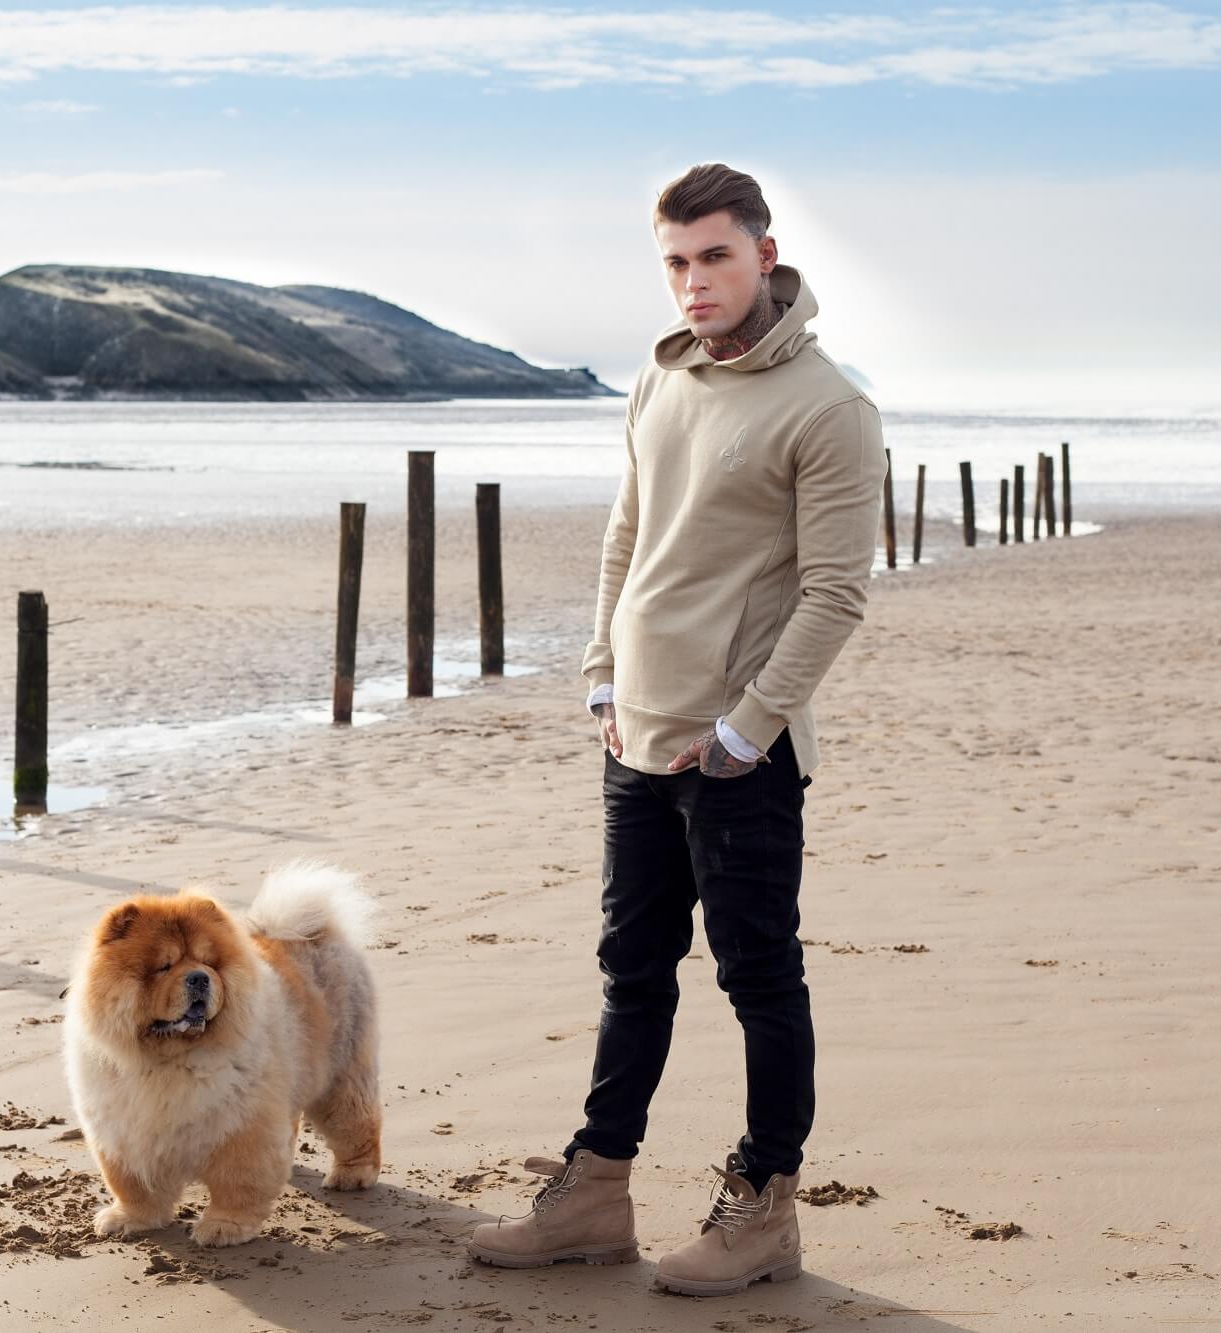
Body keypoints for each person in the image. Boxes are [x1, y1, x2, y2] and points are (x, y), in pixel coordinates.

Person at [469, 163, 886, 1297]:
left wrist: (747, 730)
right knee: (629, 969)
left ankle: (764, 1209)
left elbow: (837, 594)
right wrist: (603, 685)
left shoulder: (831, 406)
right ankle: (596, 1194)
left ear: (762, 251)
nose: (692, 283)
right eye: (674, 262)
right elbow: (626, 538)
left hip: (736, 753)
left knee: (758, 979)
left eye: (712, 256)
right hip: (634, 735)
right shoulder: (659, 381)